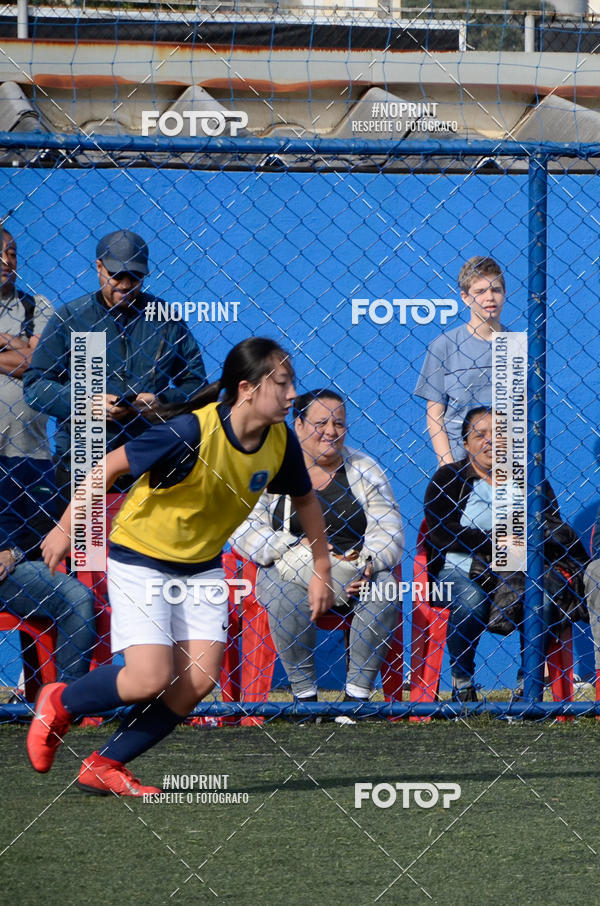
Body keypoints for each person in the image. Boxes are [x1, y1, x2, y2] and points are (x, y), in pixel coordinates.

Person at [27, 338, 333, 796]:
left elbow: (306, 500)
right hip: (142, 558)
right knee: (148, 678)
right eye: (283, 384)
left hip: (201, 566)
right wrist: (65, 528)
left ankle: (104, 765)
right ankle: (60, 700)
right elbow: (106, 469)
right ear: (247, 389)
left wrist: (321, 569)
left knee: (197, 680)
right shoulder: (190, 431)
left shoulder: (279, 439)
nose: (293, 395)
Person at [231, 389, 403, 720]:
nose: (330, 431)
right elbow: (244, 528)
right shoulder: (270, 466)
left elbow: (389, 529)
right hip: (289, 569)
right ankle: (305, 697)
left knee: (385, 588)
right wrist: (290, 551)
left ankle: (356, 698)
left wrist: (366, 565)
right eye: (320, 422)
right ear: (298, 424)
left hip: (354, 568)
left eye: (339, 423)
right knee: (283, 595)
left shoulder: (364, 469)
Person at [23, 228, 207, 502]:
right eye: (116, 275)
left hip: (148, 459)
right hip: (83, 459)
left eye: (135, 277)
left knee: (140, 544)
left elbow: (197, 384)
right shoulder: (72, 318)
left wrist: (162, 403)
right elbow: (35, 386)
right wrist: (86, 403)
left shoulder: (165, 319)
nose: (125, 284)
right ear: (99, 267)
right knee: (89, 543)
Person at [424, 406, 585, 701]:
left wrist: (524, 540)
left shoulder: (530, 480)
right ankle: (463, 681)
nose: (490, 441)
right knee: (471, 600)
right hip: (461, 570)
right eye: (480, 435)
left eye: (498, 434)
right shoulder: (448, 479)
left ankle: (530, 683)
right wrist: (497, 541)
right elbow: (442, 533)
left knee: (543, 595)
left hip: (520, 568)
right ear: (466, 443)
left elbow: (553, 527)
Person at [414, 256, 507, 466]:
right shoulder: (444, 346)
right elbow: (435, 414)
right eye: (480, 292)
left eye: (496, 290)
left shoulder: (517, 345)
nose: (489, 298)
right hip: (461, 463)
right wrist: (447, 466)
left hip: (507, 464)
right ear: (465, 297)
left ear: (505, 293)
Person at [0, 223, 57, 558]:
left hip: (30, 455)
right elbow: (25, 357)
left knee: (32, 552)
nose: (6, 261)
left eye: (12, 254)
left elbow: (38, 362)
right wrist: (17, 346)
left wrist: (4, 341)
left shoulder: (37, 306)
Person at [0, 542, 95, 685]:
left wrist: (11, 552)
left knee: (77, 598)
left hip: (11, 571)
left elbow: (43, 527)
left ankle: (65, 699)